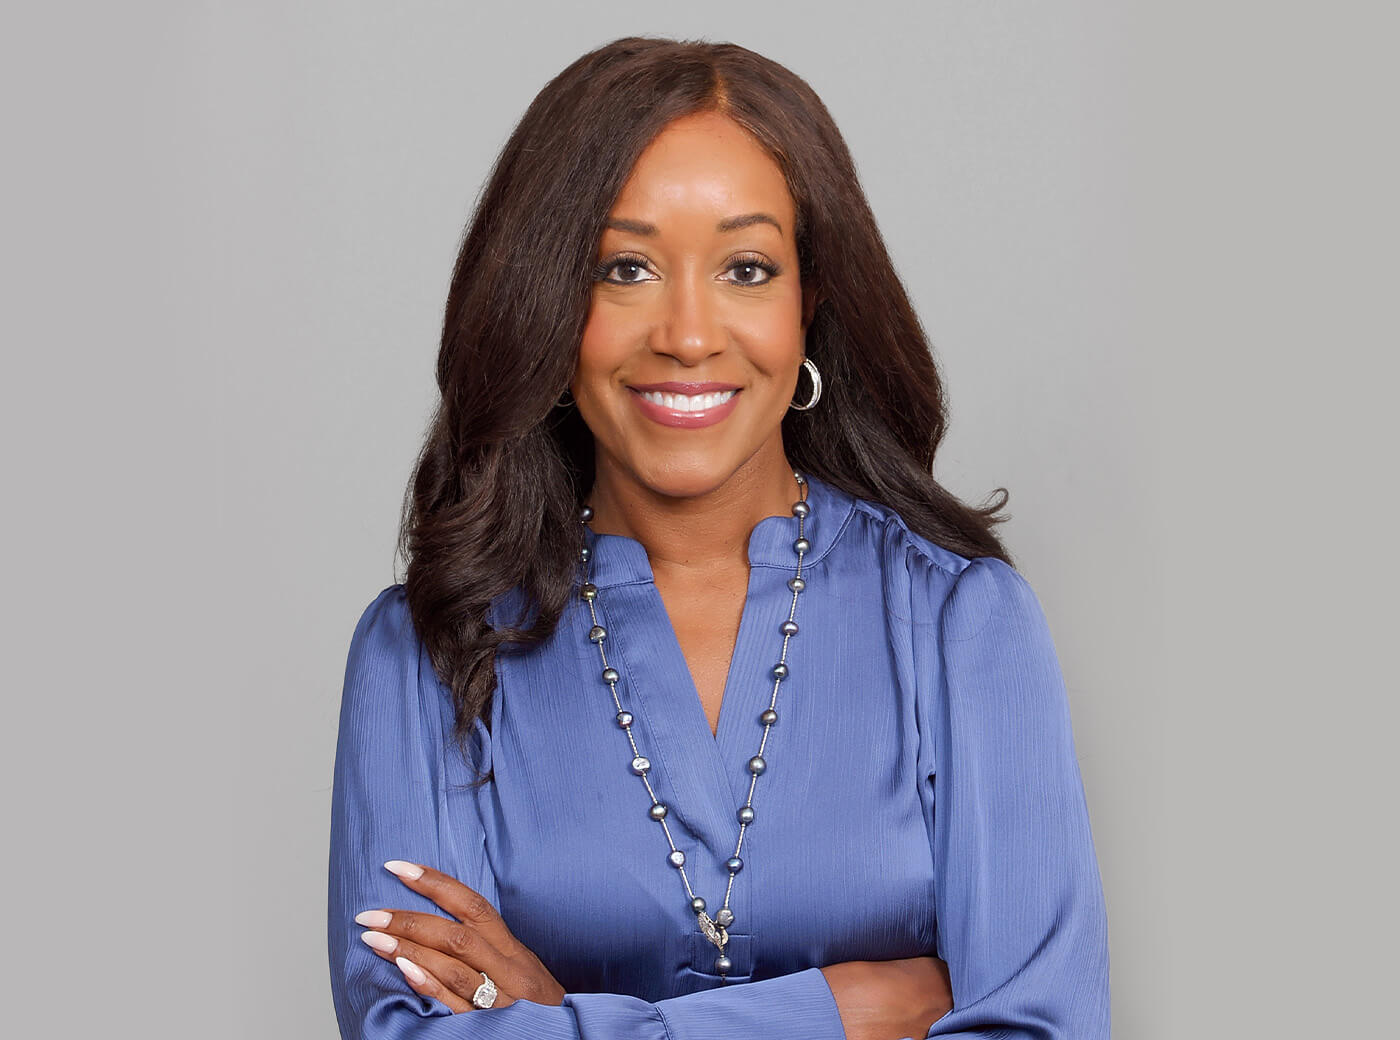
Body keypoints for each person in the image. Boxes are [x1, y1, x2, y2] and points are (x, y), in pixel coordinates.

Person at [327, 35, 1110, 1040]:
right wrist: (844, 1010)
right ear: (550, 303)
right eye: (625, 268)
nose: (688, 333)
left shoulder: (960, 622)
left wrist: (556, 1019)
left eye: (745, 266)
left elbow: (1039, 1028)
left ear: (807, 302)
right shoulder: (423, 652)